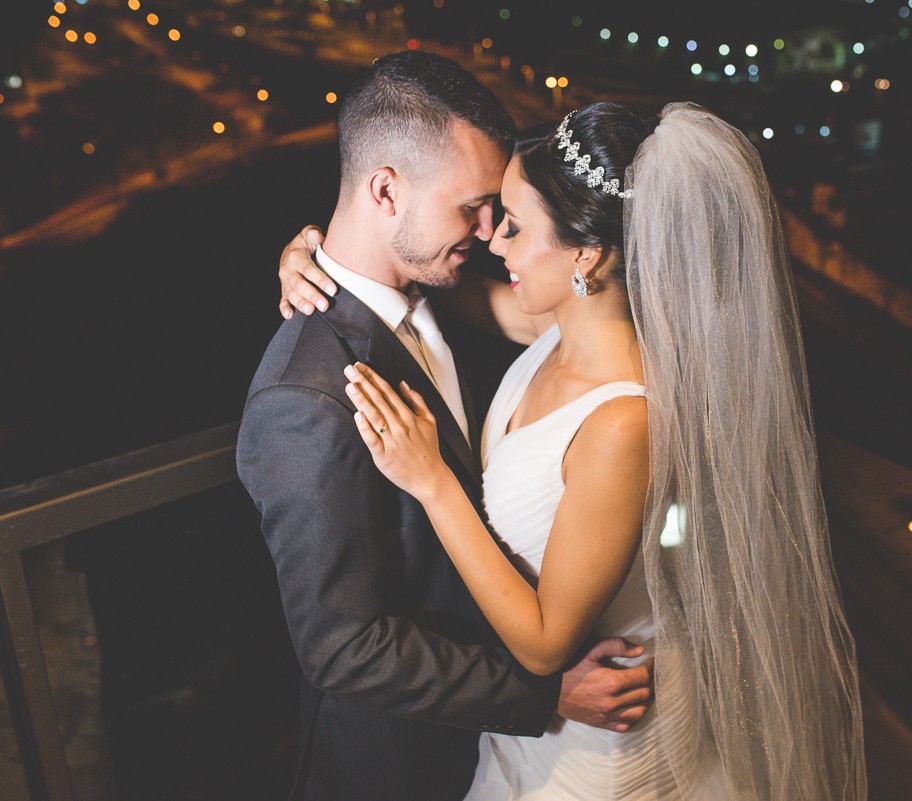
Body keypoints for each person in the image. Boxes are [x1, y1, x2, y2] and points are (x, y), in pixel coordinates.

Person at [280, 101, 868, 800]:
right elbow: (427, 290)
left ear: (587, 252)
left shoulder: (624, 421)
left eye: (515, 226)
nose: (494, 242)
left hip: (598, 730)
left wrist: (432, 480)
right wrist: (317, 259)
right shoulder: (551, 330)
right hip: (534, 722)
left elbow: (545, 643)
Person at [237, 54, 654, 801]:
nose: (491, 233)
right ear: (386, 190)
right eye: (473, 208)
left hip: (504, 740)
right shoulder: (304, 399)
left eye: (502, 212)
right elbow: (343, 649)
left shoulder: (442, 293)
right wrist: (542, 695)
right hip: (402, 766)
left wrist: (308, 253)